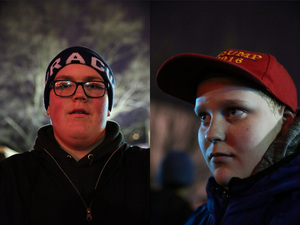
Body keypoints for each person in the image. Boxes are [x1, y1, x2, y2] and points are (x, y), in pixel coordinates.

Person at [0, 46, 149, 225]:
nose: (79, 95)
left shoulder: (146, 168)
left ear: (108, 107)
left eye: (93, 86)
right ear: (48, 106)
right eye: (64, 85)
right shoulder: (9, 177)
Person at [156, 49, 300, 225]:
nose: (211, 134)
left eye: (234, 111)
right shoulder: (198, 219)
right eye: (203, 116)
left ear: (285, 122)